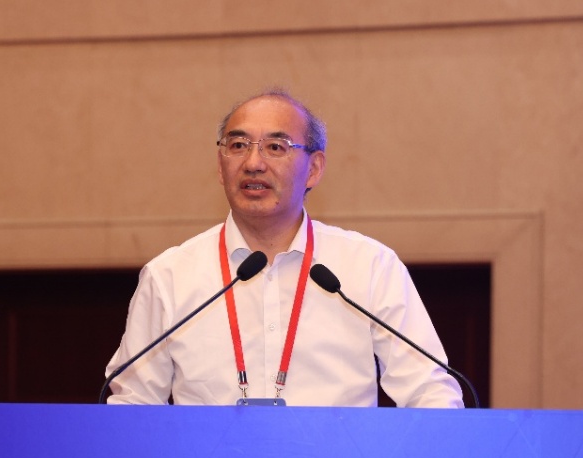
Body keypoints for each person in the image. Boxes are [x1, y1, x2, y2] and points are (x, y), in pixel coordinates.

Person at [103, 89, 463, 408]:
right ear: (220, 166)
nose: (253, 163)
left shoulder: (370, 267)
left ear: (314, 168)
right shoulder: (169, 277)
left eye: (275, 147)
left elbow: (430, 392)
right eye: (238, 145)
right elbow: (131, 404)